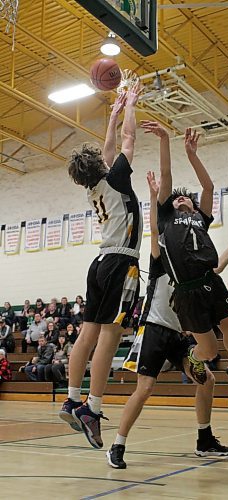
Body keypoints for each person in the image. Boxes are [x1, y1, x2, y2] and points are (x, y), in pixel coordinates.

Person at [106, 170, 228, 469]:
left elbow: (216, 268)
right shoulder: (162, 253)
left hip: (182, 331)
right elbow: (156, 228)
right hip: (156, 327)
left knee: (206, 379)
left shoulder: (193, 255)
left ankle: (204, 440)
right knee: (145, 388)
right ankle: (117, 445)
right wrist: (153, 194)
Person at [140, 121, 228, 388]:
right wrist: (164, 140)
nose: (181, 199)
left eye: (186, 199)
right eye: (176, 199)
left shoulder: (200, 219)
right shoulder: (167, 221)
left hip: (210, 281)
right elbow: (166, 174)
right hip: (186, 291)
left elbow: (208, 187)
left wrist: (193, 155)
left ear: (194, 206)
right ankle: (194, 357)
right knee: (208, 351)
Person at [59, 83, 143, 449]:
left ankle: (72, 398)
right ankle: (91, 408)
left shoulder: (96, 185)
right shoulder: (116, 179)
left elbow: (109, 149)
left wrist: (111, 113)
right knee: (110, 334)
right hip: (121, 262)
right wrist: (131, 107)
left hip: (99, 262)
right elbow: (127, 139)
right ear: (102, 167)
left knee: (87, 333)